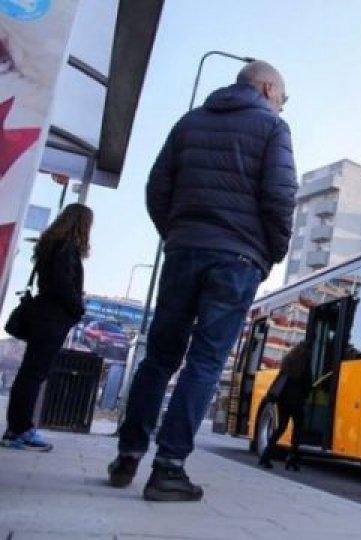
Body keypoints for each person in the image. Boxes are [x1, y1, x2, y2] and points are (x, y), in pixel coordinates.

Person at [107, 60, 298, 502]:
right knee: (205, 362)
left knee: (158, 358)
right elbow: (281, 195)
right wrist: (270, 251)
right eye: (283, 99)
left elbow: (157, 188)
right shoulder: (272, 128)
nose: (282, 107)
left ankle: (128, 456)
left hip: (183, 251)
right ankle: (169, 469)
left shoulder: (189, 122)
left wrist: (177, 234)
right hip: (236, 258)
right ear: (268, 88)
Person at [1, 203, 92, 451]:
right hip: (53, 318)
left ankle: (16, 427)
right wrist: (78, 307)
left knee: (29, 372)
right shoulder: (67, 249)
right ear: (82, 224)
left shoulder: (49, 245)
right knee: (35, 373)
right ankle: (20, 429)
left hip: (42, 313)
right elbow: (63, 284)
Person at [258, 342, 312, 470]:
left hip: (282, 399)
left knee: (281, 427)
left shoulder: (288, 360)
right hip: (296, 400)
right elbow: (307, 382)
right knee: (298, 428)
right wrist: (306, 394)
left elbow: (280, 378)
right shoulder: (304, 362)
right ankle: (292, 458)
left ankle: (265, 455)